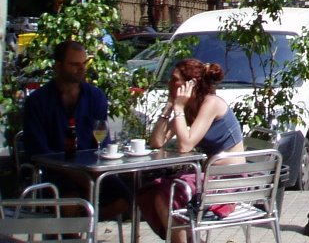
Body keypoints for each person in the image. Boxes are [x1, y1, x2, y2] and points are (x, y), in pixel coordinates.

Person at [137, 59, 245, 242]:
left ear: (190, 84)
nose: (169, 84)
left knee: (168, 193)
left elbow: (185, 145)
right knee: (154, 190)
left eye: (174, 79)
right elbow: (157, 142)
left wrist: (178, 107)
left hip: (227, 181)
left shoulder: (211, 103)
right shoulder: (190, 108)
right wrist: (169, 106)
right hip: (208, 178)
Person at [22, 40, 130, 219]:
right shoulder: (38, 101)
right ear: (58, 66)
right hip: (54, 173)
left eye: (83, 64)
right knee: (69, 203)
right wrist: (76, 174)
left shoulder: (95, 97)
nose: (81, 69)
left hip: (91, 170)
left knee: (125, 197)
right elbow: (37, 152)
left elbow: (101, 141)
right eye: (74, 64)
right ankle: (73, 231)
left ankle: (83, 224)